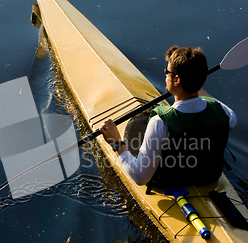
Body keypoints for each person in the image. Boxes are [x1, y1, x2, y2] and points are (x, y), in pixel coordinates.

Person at [99, 45, 237, 187]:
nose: (165, 76)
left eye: (167, 72)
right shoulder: (225, 113)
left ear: (176, 80)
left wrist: (116, 142)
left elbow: (140, 177)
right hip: (209, 178)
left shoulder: (160, 123)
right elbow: (219, 108)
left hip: (168, 182)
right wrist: (195, 82)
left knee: (134, 136)